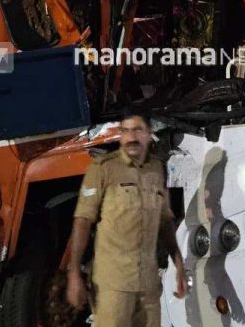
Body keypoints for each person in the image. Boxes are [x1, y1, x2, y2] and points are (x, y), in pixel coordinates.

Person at [66, 110, 187, 326]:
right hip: (113, 286)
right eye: (125, 131)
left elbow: (165, 221)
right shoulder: (103, 168)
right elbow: (83, 220)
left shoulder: (157, 169)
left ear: (149, 135)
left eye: (137, 130)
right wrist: (74, 273)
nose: (131, 137)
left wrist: (178, 264)